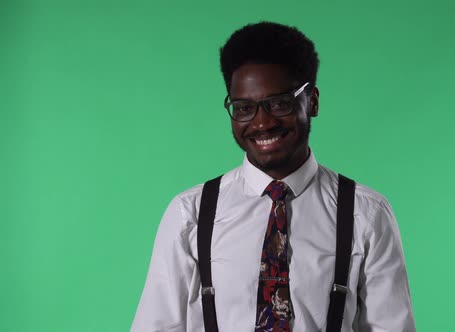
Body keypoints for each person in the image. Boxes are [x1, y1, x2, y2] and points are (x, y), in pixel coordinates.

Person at [131, 21, 416, 332]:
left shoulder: (366, 213)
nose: (262, 123)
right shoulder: (191, 214)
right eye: (244, 108)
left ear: (313, 101)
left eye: (279, 104)